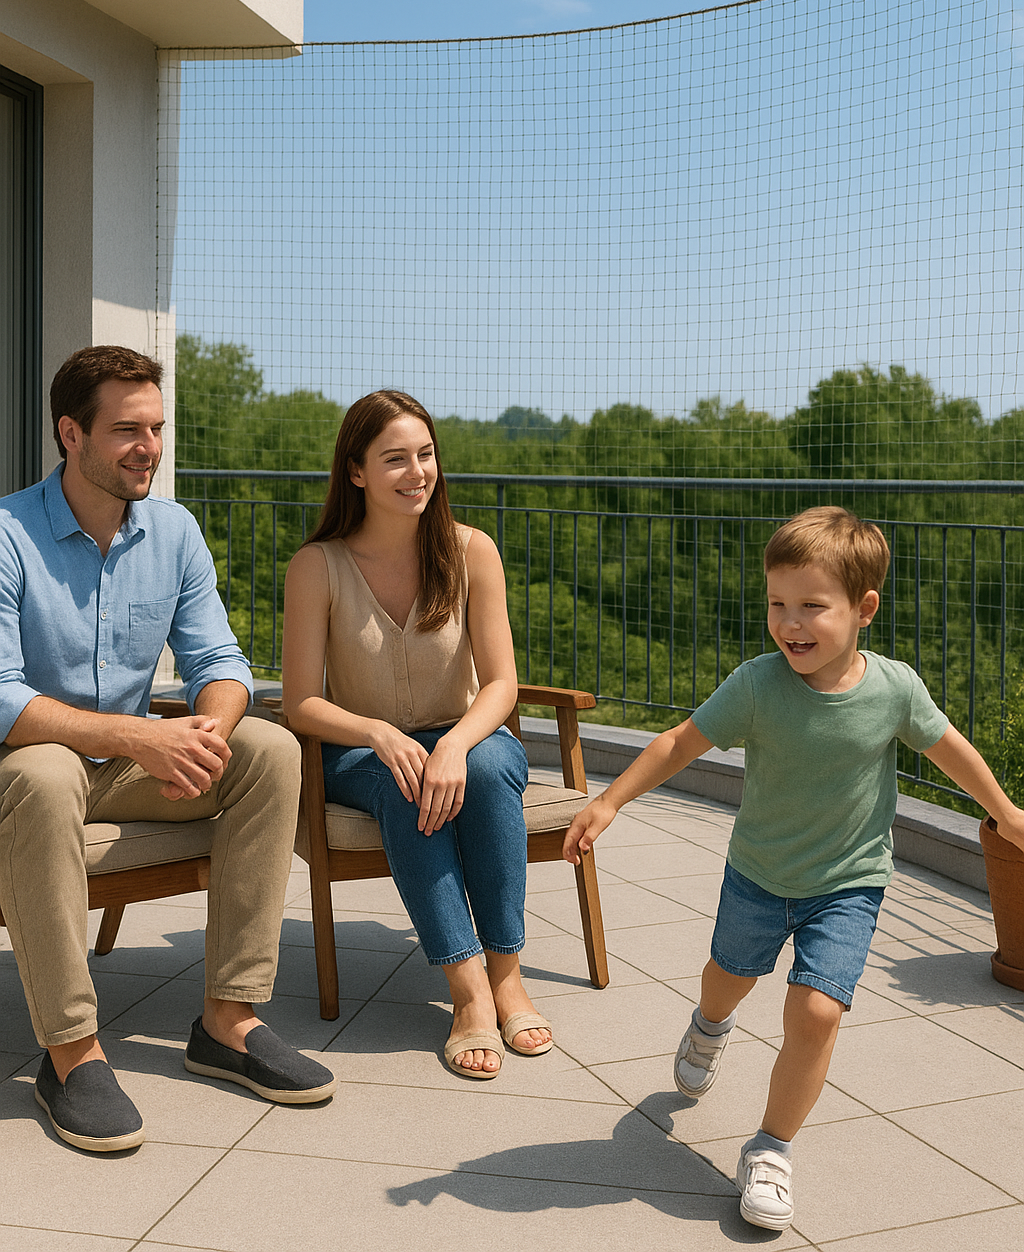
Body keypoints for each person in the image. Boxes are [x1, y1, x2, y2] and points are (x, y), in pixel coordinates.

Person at [563, 505, 1024, 1229]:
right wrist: (611, 800)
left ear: (864, 609)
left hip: (849, 883)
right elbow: (681, 741)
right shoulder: (758, 685)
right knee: (728, 980)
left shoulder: (895, 689)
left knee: (816, 1010)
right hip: (758, 874)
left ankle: (771, 1149)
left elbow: (950, 749)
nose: (791, 623)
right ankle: (709, 1026)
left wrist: (1006, 812)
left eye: (813, 606)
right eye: (778, 603)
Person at [0, 346, 337, 1153]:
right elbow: (1, 694)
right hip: (26, 766)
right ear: (70, 434)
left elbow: (221, 664)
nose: (148, 445)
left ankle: (228, 1019)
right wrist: (138, 736)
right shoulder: (9, 532)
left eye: (156, 427)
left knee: (269, 749)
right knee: (47, 774)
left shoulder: (175, 530)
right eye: (127, 429)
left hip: (119, 767)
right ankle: (71, 1053)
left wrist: (207, 734)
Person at [282, 390, 551, 1078]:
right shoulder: (318, 566)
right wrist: (376, 732)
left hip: (465, 734)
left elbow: (501, 684)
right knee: (407, 785)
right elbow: (300, 702)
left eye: (426, 455)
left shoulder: (471, 551)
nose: (417, 472)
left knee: (488, 771)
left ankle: (508, 975)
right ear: (356, 472)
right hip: (358, 750)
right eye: (395, 458)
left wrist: (457, 742)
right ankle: (468, 996)